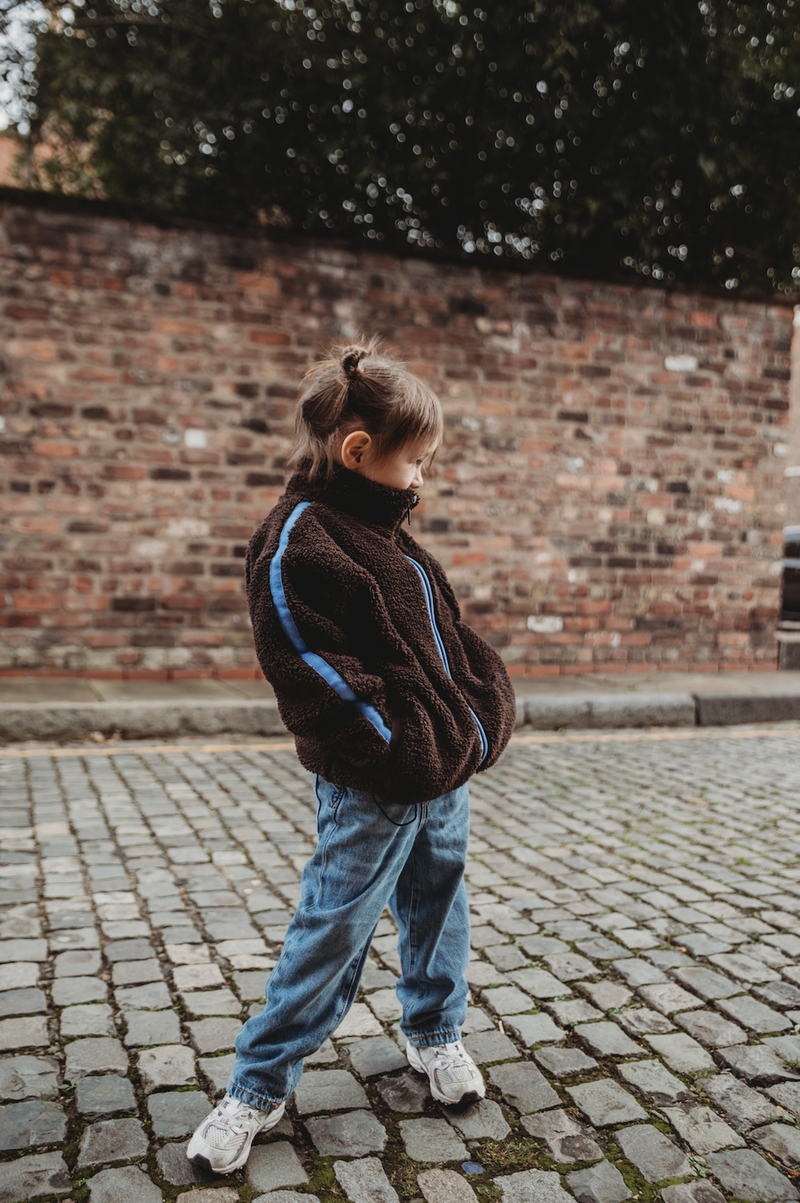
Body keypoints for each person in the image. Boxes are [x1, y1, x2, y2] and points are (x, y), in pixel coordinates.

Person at [187, 337, 517, 1175]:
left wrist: (476, 718)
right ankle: (258, 1083)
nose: (422, 478)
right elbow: (314, 670)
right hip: (374, 784)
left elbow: (446, 638)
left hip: (438, 776)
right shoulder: (298, 542)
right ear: (359, 450)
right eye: (416, 461)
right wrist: (402, 747)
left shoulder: (393, 536)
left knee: (440, 903)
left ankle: (435, 1030)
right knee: (332, 928)